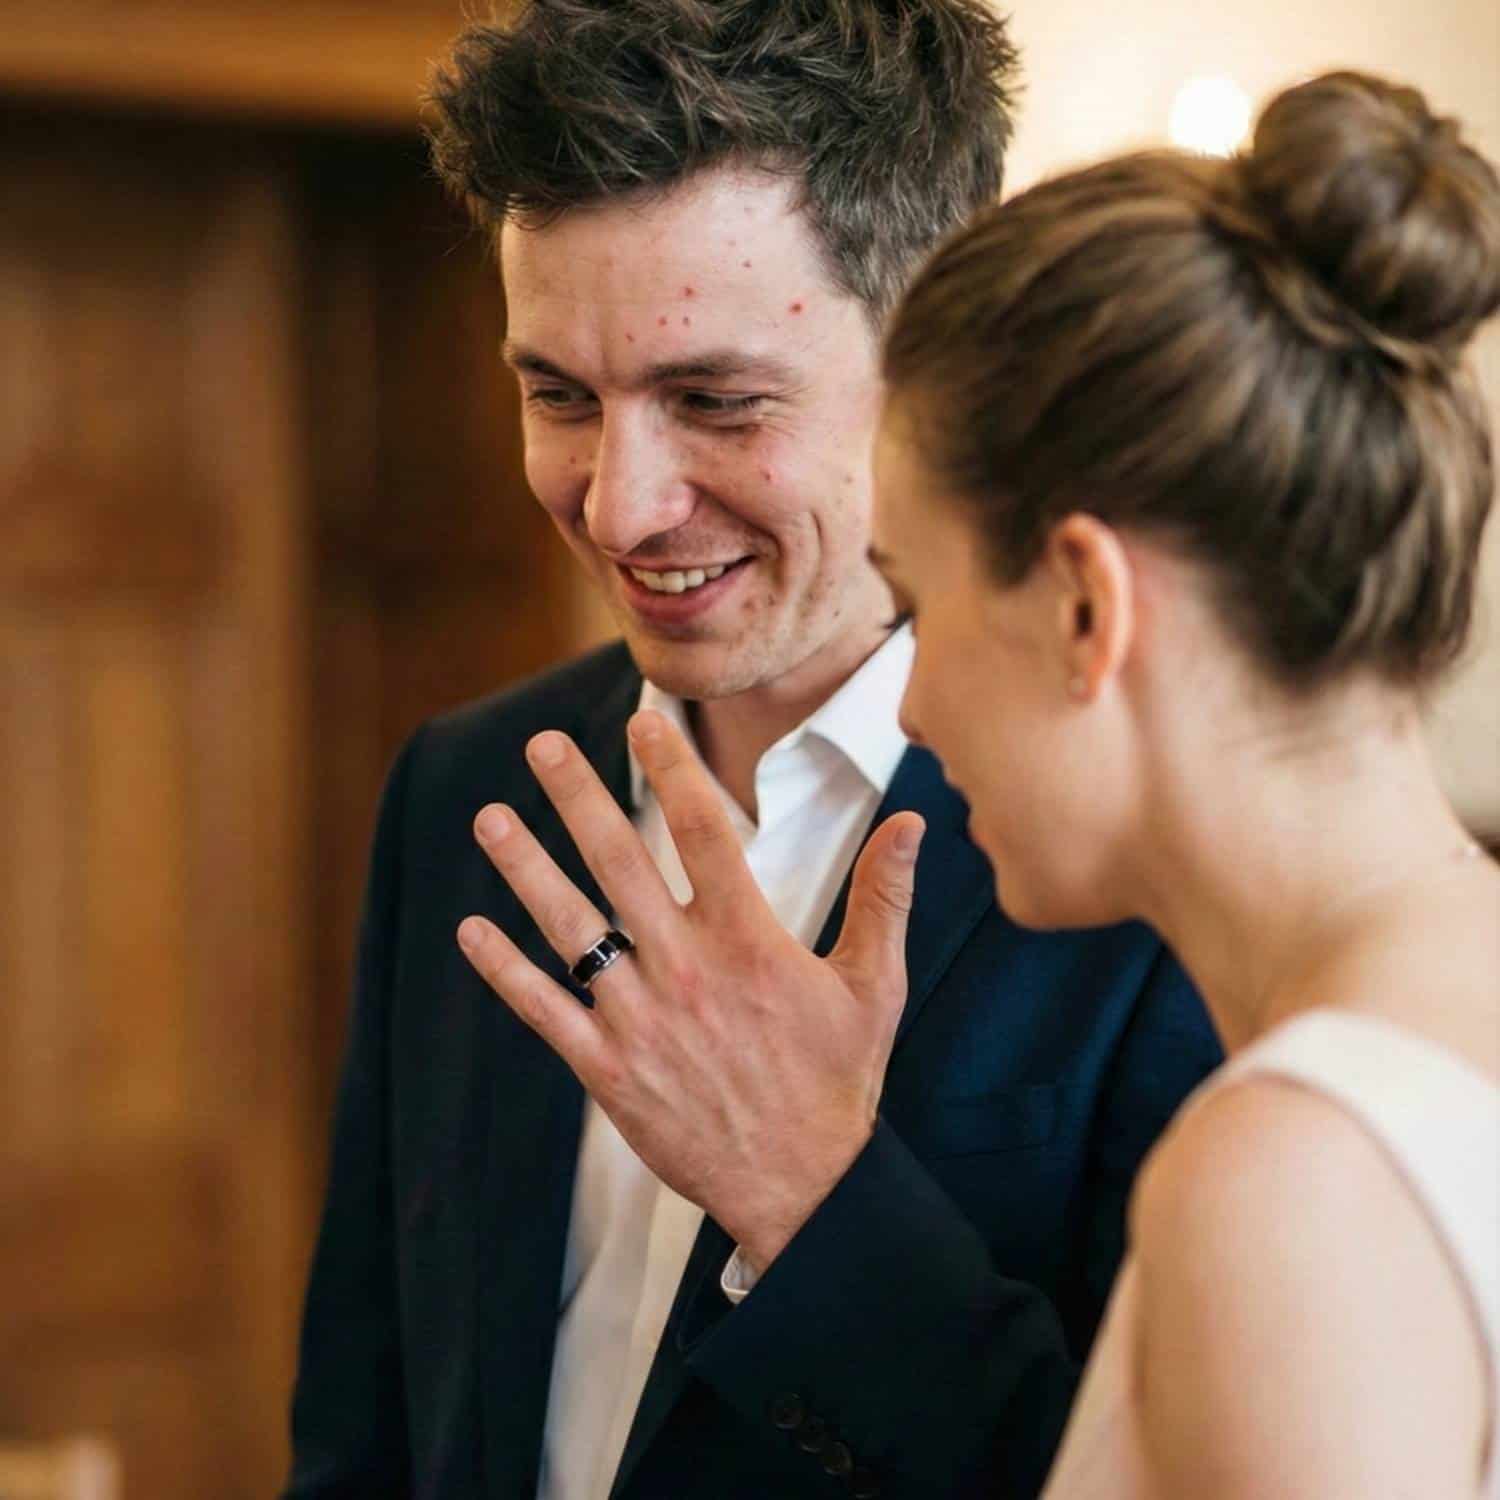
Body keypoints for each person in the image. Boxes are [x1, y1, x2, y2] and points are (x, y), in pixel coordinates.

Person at [469, 68, 1499, 1499]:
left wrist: (813, 1197)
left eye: (928, 600)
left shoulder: (1292, 1178)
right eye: (559, 392)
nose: (922, 695)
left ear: (1085, 605)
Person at [282, 3, 1222, 1499]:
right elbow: (367, 1428)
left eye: (715, 401)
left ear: (939, 361)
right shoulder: (468, 788)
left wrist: (812, 1200)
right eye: (558, 397)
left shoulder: (1159, 868)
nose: (617, 507)